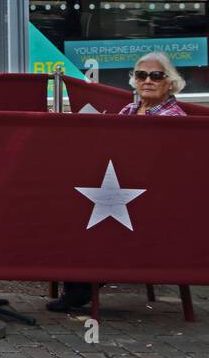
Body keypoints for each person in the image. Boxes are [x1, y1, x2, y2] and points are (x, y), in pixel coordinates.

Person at [49, 50, 188, 313]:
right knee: (63, 203)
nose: (148, 80)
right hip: (120, 186)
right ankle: (76, 281)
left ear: (170, 82)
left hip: (149, 198)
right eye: (141, 75)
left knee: (84, 212)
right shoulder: (130, 109)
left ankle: (81, 285)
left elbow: (163, 167)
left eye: (156, 76)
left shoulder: (173, 119)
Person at [118, 51, 188, 117]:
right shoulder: (129, 108)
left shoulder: (175, 118)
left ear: (171, 83)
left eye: (156, 76)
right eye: (141, 75)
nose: (147, 81)